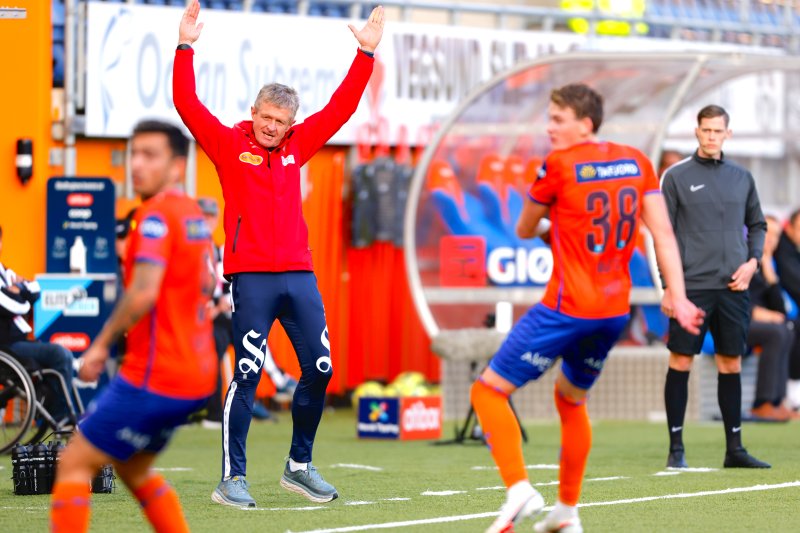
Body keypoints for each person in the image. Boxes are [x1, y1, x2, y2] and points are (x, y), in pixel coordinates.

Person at [173, 0, 385, 507]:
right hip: (253, 278)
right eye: (265, 117)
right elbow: (186, 103)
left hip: (300, 276)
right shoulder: (228, 145)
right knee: (246, 374)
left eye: (281, 121)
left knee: (322, 367)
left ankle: (299, 466)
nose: (272, 127)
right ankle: (233, 478)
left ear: (292, 124)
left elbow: (341, 110)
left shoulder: (297, 147)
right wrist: (184, 46)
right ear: (253, 113)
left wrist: (365, 56)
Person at [473, 84, 705, 533]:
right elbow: (663, 235)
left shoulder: (558, 165)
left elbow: (524, 227)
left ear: (585, 123)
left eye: (557, 119)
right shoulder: (637, 160)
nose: (549, 127)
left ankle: (519, 490)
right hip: (613, 313)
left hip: (566, 307)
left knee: (487, 391)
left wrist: (551, 224)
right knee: (571, 399)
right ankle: (567, 512)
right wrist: (677, 294)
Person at [50, 120, 217, 533]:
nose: (137, 164)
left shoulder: (154, 215)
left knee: (73, 462)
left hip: (156, 373)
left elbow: (144, 291)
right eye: (134, 153)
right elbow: (209, 283)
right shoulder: (193, 212)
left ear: (177, 165)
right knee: (133, 467)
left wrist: (100, 345)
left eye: (150, 155)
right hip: (195, 374)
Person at [661, 104, 770, 469]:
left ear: (727, 134)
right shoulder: (676, 177)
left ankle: (734, 450)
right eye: (705, 130)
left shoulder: (742, 177)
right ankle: (676, 448)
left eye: (717, 131)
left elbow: (758, 225)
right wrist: (668, 287)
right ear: (697, 131)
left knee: (731, 363)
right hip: (691, 287)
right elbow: (665, 236)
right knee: (681, 360)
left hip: (733, 289)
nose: (711, 137)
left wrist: (752, 262)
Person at [197, 197, 297, 429]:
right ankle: (213, 413)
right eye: (203, 215)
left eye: (211, 216)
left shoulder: (220, 249)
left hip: (225, 315)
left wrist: (224, 302)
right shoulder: (197, 249)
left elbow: (230, 283)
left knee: (253, 339)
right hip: (204, 319)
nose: (207, 221)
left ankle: (275, 383)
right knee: (213, 356)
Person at [0, 224, 78, 424]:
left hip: (20, 341)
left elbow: (35, 288)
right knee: (59, 354)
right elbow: (13, 306)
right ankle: (59, 416)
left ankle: (56, 412)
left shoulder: (4, 271)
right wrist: (19, 295)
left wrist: (18, 291)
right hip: (6, 346)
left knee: (64, 356)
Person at [747, 214, 796, 421]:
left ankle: (778, 401)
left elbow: (780, 309)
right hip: (735, 322)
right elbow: (735, 298)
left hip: (757, 323)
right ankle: (763, 403)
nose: (770, 240)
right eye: (767, 233)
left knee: (788, 327)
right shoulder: (743, 259)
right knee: (777, 332)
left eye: (776, 236)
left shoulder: (768, 265)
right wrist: (759, 314)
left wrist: (769, 273)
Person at [774, 207, 800, 411]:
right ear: (789, 228)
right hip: (780, 311)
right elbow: (795, 284)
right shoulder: (784, 250)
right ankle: (793, 389)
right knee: (793, 326)